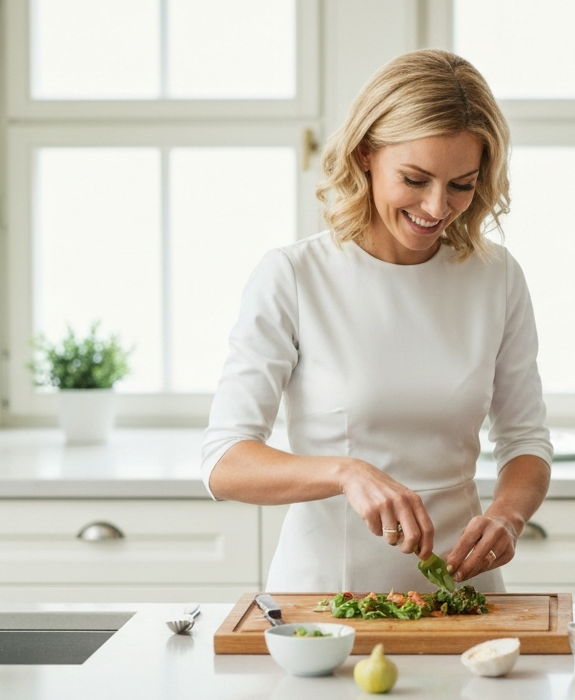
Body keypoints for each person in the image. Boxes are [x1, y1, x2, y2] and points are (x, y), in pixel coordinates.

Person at [202, 49, 553, 594]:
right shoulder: (294, 275)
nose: (436, 207)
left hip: (462, 592)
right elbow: (225, 462)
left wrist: (508, 515)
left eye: (461, 185)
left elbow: (525, 440)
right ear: (366, 154)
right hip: (327, 597)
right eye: (415, 179)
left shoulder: (496, 276)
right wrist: (345, 471)